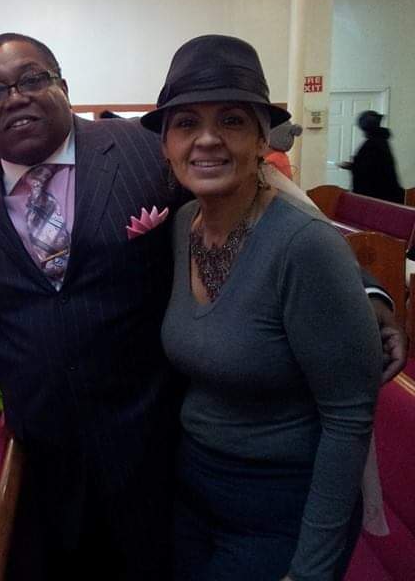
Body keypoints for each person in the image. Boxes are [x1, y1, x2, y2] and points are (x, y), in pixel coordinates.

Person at [0, 32, 408, 580]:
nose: (15, 96)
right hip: (46, 463)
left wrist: (364, 291)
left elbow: (272, 202)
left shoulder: (144, 151)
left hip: (159, 457)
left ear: (65, 87)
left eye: (33, 78)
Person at [141, 34, 381, 581]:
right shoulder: (183, 227)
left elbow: (348, 416)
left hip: (281, 510)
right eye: (186, 124)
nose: (206, 140)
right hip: (195, 495)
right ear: (166, 145)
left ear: (260, 140)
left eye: (229, 120)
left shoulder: (304, 246)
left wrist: (312, 570)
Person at [340, 110, 404, 203]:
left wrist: (353, 166)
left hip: (377, 195)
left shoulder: (374, 143)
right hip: (382, 194)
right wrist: (354, 165)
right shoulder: (379, 141)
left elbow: (369, 170)